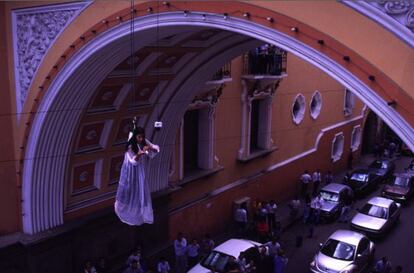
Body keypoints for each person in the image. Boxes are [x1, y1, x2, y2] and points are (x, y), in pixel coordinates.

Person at [115, 126, 160, 225]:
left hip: (139, 169)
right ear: (135, 136)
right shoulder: (130, 146)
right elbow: (132, 161)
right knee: (130, 187)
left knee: (141, 186)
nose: (141, 139)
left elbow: (155, 149)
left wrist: (151, 148)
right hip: (130, 170)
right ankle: (124, 206)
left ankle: (140, 208)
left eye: (142, 137)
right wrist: (139, 154)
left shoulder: (143, 141)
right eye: (139, 137)